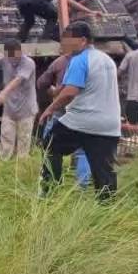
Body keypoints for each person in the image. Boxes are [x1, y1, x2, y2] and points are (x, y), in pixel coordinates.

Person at [38, 21, 122, 199]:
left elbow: (70, 92)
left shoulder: (80, 59)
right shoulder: (106, 60)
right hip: (110, 125)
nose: (64, 44)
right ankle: (107, 207)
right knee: (103, 170)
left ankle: (49, 190)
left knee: (50, 145)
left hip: (82, 121)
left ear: (83, 40)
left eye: (68, 40)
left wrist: (50, 109)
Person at [37, 48, 91, 187]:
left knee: (50, 147)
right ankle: (83, 187)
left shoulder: (60, 62)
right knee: (82, 151)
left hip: (60, 111)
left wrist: (54, 92)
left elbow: (41, 83)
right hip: (82, 112)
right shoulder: (91, 62)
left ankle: (52, 182)